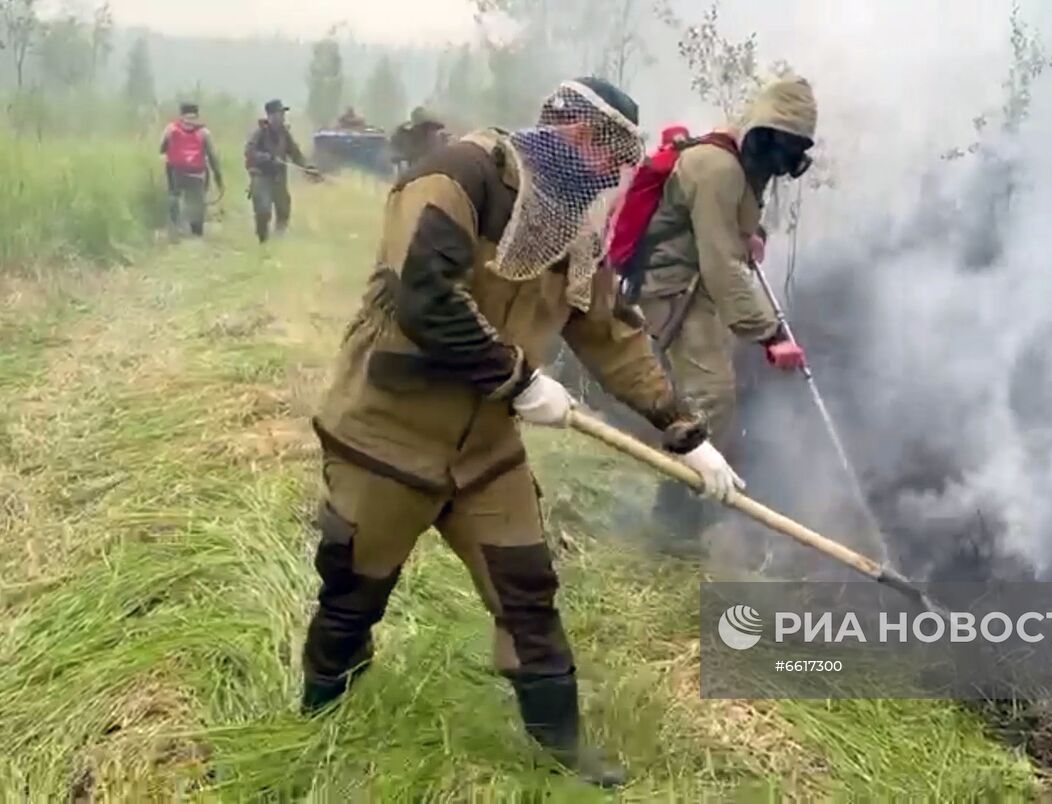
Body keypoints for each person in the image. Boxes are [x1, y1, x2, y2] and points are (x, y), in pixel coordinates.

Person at [300, 76, 742, 788]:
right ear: (575, 133)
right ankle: (321, 723)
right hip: (387, 434)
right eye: (609, 154)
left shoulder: (575, 226)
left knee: (528, 592)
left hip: (485, 451)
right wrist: (522, 380)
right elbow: (424, 298)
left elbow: (612, 337)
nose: (613, 173)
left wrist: (685, 434)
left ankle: (561, 751)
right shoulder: (457, 177)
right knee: (353, 590)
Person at [632, 75, 818, 544]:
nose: (780, 164)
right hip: (672, 287)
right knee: (711, 396)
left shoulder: (740, 167)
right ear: (762, 133)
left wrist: (754, 236)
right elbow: (720, 263)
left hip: (696, 286)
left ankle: (687, 499)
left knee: (711, 390)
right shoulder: (716, 167)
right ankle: (672, 518)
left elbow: (732, 227)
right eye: (781, 147)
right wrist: (771, 334)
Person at [244, 99, 320, 243]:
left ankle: (278, 240)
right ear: (270, 116)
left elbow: (295, 153)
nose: (282, 117)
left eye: (282, 114)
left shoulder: (284, 134)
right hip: (262, 177)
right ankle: (263, 240)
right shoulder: (260, 133)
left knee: (284, 209)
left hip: (279, 178)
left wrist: (308, 167)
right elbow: (249, 151)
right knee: (263, 210)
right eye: (279, 114)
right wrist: (267, 157)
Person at [159, 102, 224, 237]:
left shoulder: (171, 129)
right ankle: (196, 231)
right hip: (197, 173)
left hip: (175, 172)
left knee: (174, 196)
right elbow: (213, 157)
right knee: (197, 202)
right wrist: (218, 179)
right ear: (197, 115)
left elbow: (162, 148)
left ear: (181, 114)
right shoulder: (204, 132)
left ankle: (175, 228)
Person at [389, 106, 447, 178]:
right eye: (425, 127)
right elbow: (395, 157)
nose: (430, 132)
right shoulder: (405, 138)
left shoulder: (440, 141)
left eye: (432, 128)